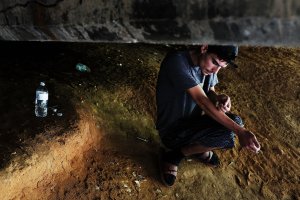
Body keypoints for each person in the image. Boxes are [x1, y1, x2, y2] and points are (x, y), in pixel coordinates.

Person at [156, 45, 261, 187]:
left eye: (220, 68)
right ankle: (174, 155)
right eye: (215, 63)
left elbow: (209, 90)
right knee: (228, 133)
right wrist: (240, 131)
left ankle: (197, 148)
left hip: (193, 123)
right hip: (172, 130)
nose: (214, 71)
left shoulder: (206, 64)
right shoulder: (177, 62)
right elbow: (202, 101)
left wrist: (217, 98)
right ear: (204, 47)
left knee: (235, 121)